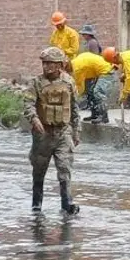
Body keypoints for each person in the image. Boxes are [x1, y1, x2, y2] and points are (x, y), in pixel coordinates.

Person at [23, 47, 82, 214]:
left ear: (59, 65)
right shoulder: (35, 83)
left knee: (65, 169)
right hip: (43, 135)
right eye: (44, 63)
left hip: (63, 132)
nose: (46, 66)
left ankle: (67, 203)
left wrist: (77, 131)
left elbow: (75, 109)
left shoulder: (69, 82)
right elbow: (28, 104)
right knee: (39, 170)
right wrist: (34, 119)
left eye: (50, 63)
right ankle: (37, 205)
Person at [72, 51, 113, 124]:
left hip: (106, 71)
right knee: (90, 92)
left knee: (98, 92)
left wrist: (74, 98)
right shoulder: (75, 62)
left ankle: (104, 116)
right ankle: (95, 114)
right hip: (95, 72)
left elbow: (79, 87)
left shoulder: (77, 69)